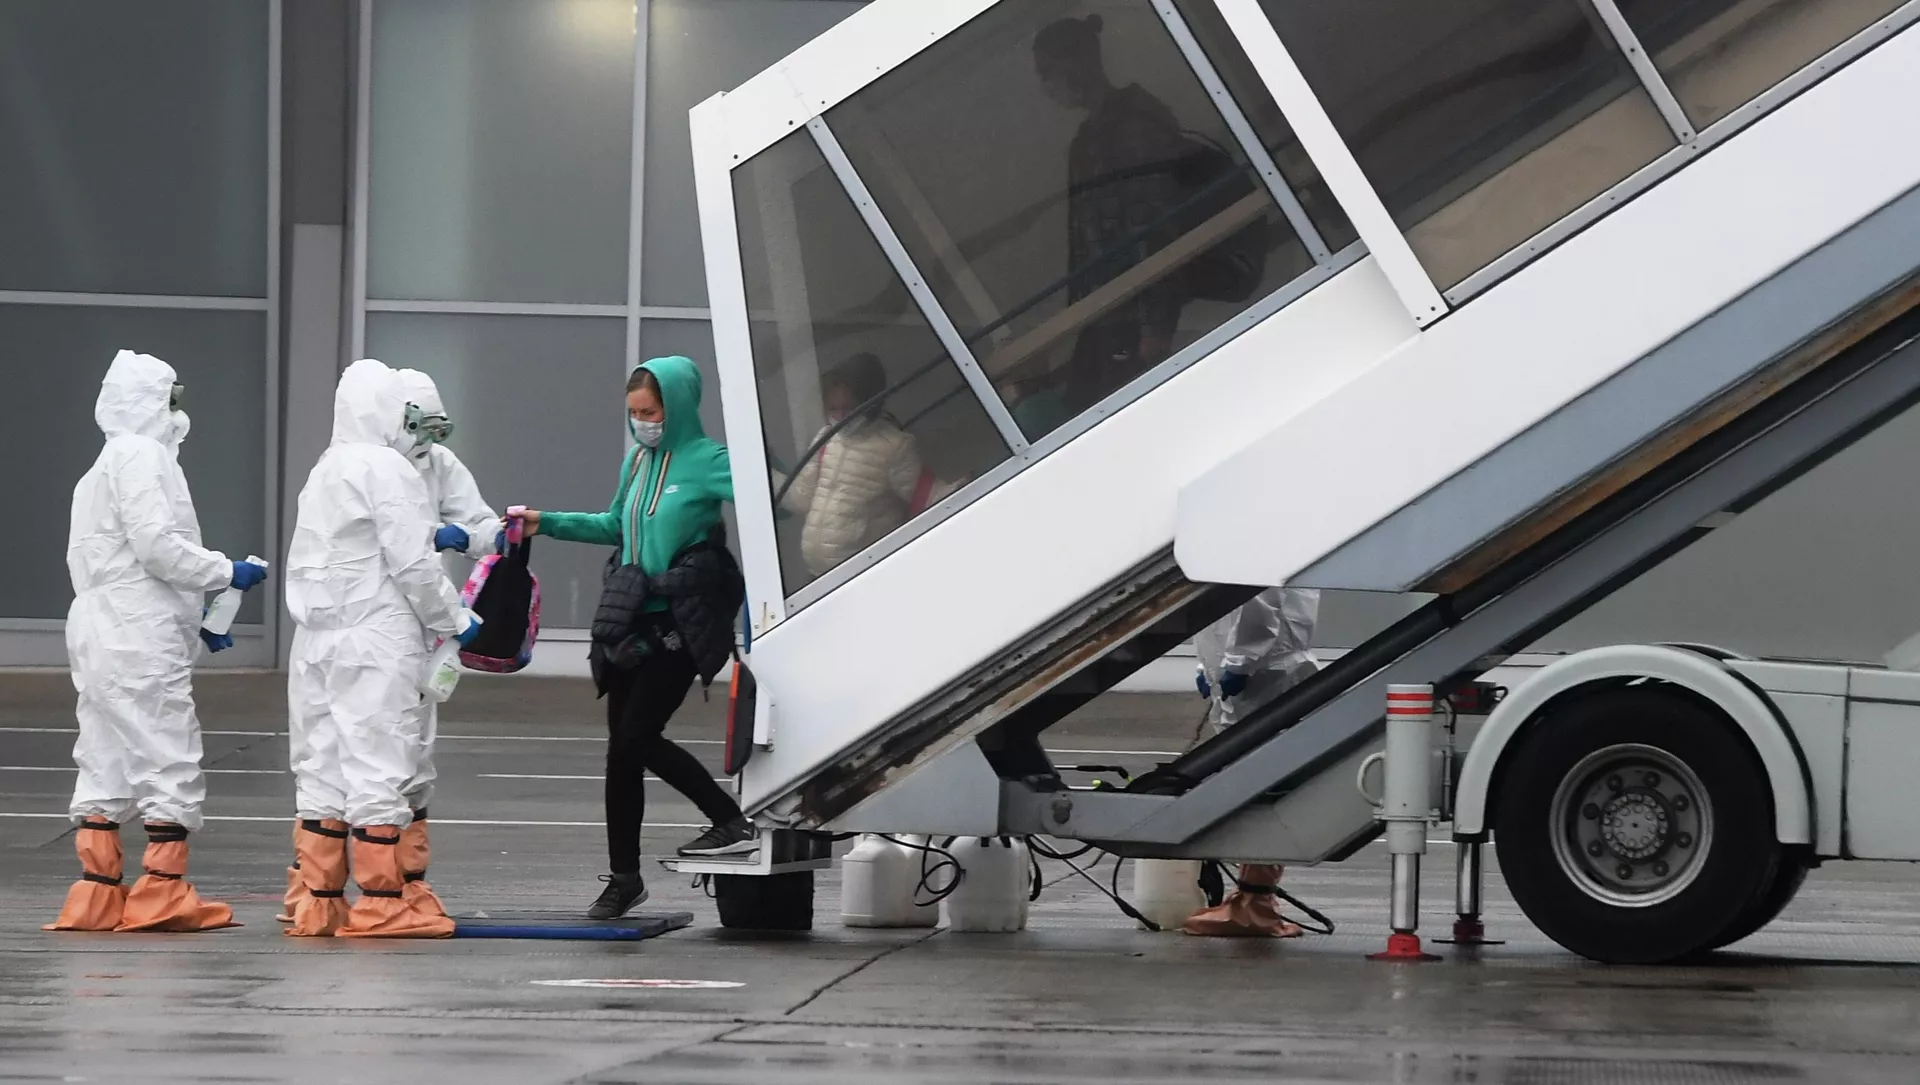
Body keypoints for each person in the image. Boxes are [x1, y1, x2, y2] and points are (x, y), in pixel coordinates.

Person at [515, 356, 753, 920]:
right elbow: (612, 525)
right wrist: (545, 522)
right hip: (631, 623)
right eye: (635, 414)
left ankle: (729, 820)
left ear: (678, 407)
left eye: (650, 412)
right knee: (621, 754)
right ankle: (624, 879)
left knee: (636, 738)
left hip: (681, 623)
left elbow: (773, 501)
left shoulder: (710, 461)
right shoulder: (638, 462)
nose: (643, 423)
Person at [47, 349, 269, 934]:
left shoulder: (99, 468)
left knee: (105, 754)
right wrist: (224, 572)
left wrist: (196, 615)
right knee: (167, 749)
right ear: (154, 400)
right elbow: (156, 547)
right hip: (137, 629)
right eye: (172, 397)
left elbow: (121, 556)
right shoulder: (143, 455)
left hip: (99, 626)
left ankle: (96, 895)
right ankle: (163, 893)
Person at [276, 368, 497, 926]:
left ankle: (318, 904)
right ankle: (381, 904)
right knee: (381, 765)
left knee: (323, 771)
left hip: (316, 639)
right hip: (377, 636)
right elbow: (413, 564)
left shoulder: (326, 468)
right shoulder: (387, 468)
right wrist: (455, 619)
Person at [1034, 14, 1189, 415]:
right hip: (1106, 313)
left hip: (1134, 315)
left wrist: (1154, 327)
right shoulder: (1087, 141)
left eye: (1049, 71)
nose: (1047, 86)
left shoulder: (1135, 125)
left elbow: (1155, 228)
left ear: (1078, 61)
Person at [1184, 587, 1321, 939]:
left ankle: (1256, 905)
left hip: (1263, 674)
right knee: (1252, 783)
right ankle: (1252, 897)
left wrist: (1238, 662)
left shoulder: (1250, 553)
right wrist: (1208, 663)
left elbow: (1258, 602)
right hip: (1253, 670)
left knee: (1258, 787)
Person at [778, 354, 925, 579]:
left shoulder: (894, 446)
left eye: (848, 408)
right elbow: (801, 498)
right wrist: (767, 475)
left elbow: (926, 498)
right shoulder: (825, 438)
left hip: (866, 576)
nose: (840, 417)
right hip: (817, 576)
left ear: (869, 403)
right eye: (833, 409)